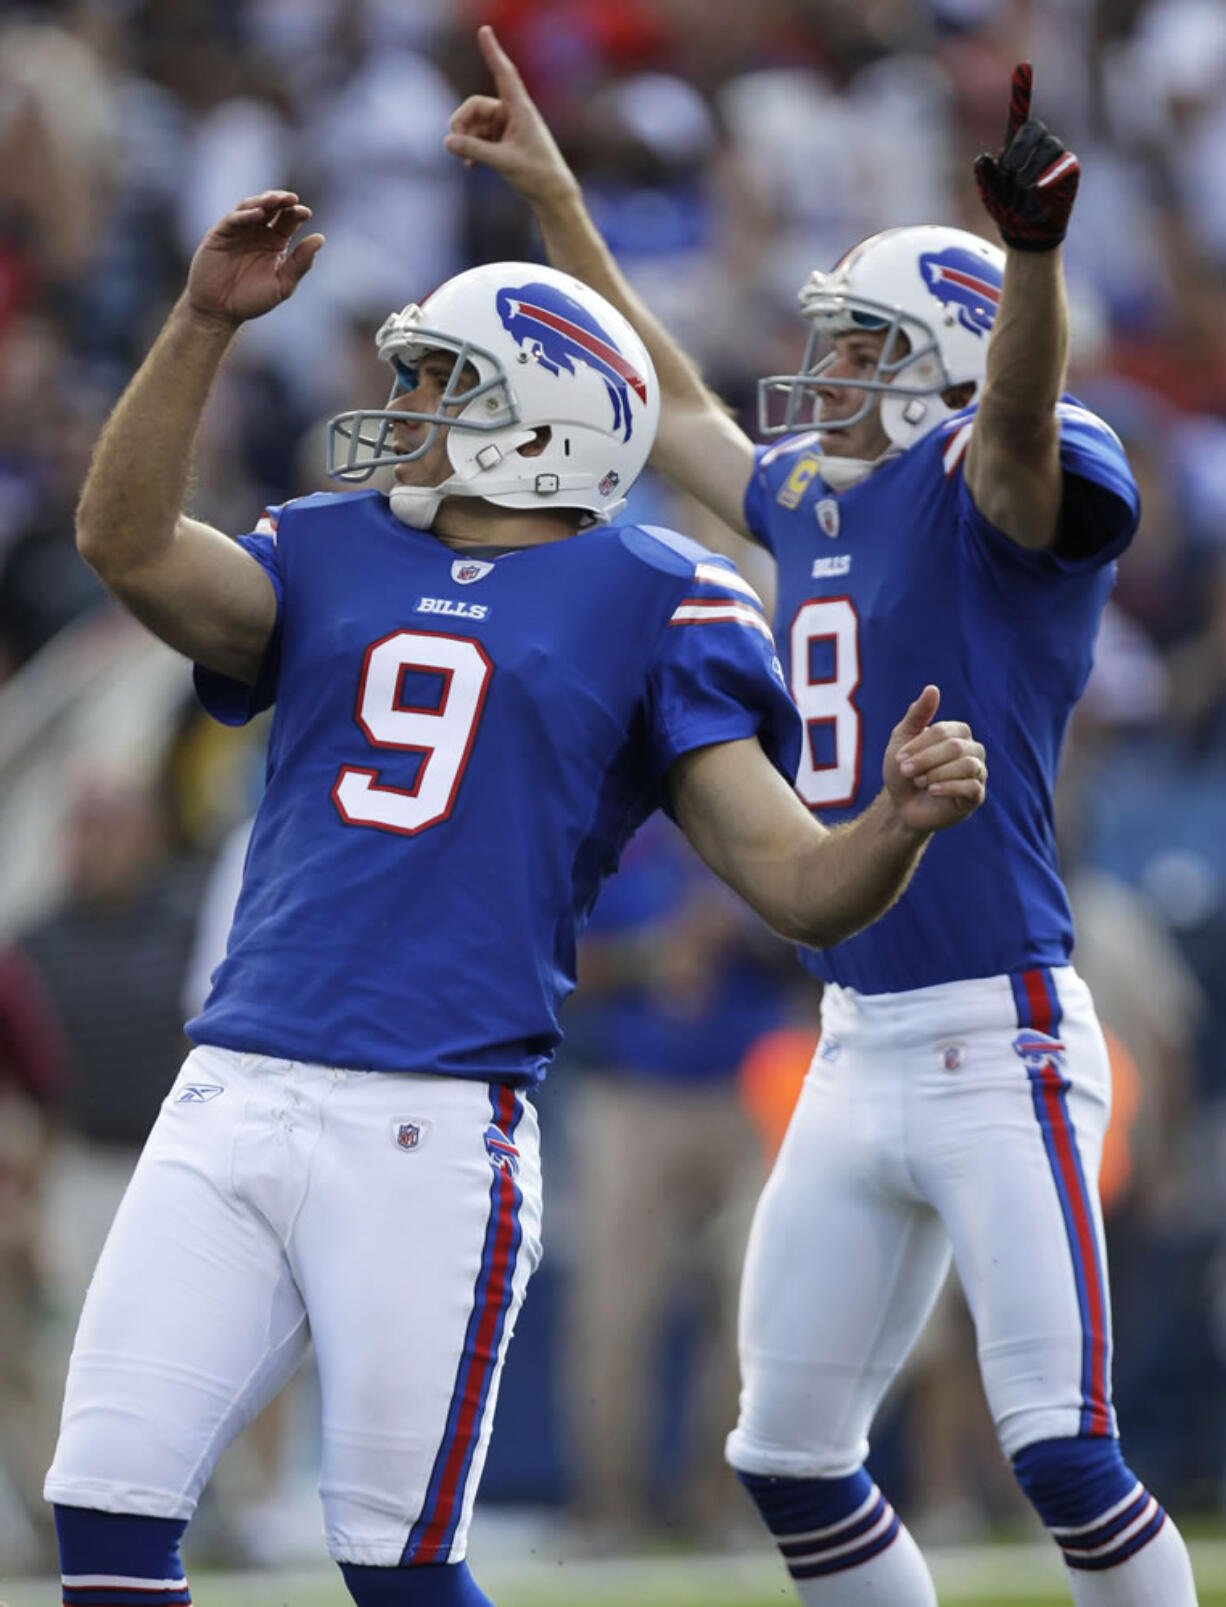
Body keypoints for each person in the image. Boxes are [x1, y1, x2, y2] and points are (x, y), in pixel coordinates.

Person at [43, 189, 986, 1607]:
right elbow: (122, 541)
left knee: (400, 1571)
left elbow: (798, 882)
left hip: (428, 1127)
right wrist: (199, 325)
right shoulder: (328, 543)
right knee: (105, 1520)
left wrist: (895, 825)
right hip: (231, 1087)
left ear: (538, 417)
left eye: (438, 378)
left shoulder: (657, 594)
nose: (402, 401)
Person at [446, 30, 1201, 1606]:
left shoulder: (1001, 478)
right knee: (785, 1457)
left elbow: (1006, 440)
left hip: (1003, 1038)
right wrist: (558, 203)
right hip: (855, 1039)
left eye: (865, 346)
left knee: (1060, 1450)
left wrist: (1032, 259)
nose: (831, 368)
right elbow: (661, 401)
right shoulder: (814, 499)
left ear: (944, 357)